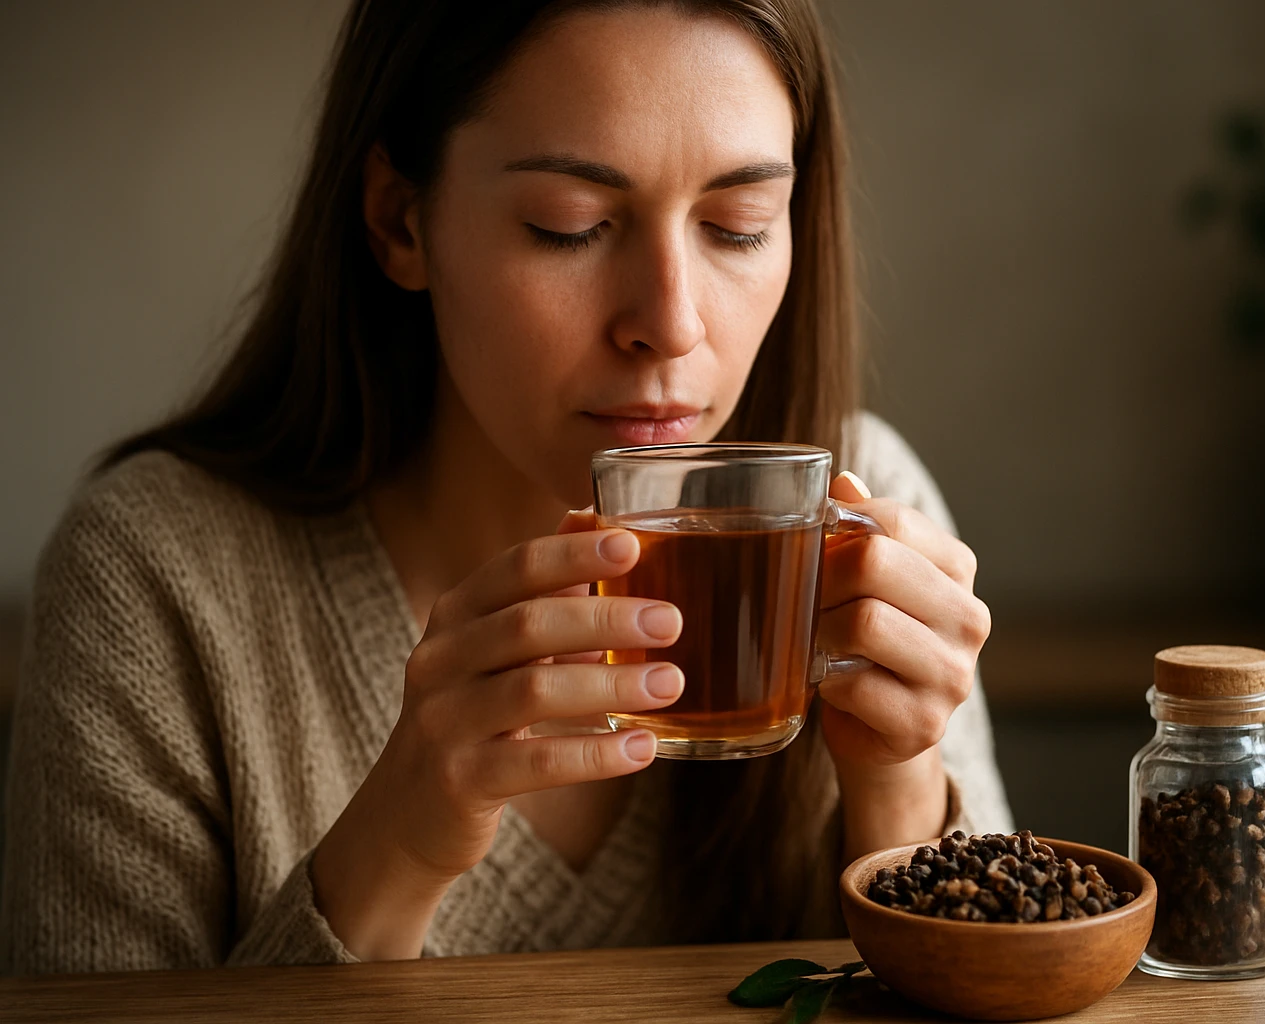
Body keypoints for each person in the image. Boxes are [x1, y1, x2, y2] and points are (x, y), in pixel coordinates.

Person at [1, 0, 1010, 974]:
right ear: (401, 222)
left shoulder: (858, 508)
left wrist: (899, 792)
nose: (672, 322)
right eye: (568, 225)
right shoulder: (152, 580)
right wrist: (393, 851)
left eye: (739, 225)